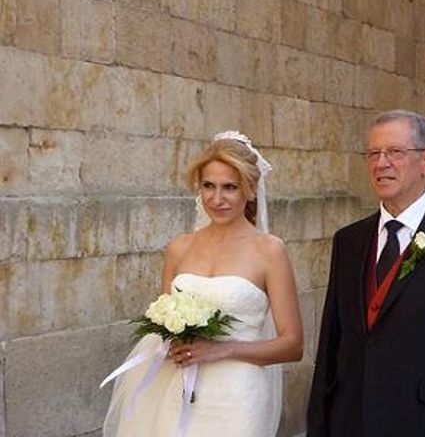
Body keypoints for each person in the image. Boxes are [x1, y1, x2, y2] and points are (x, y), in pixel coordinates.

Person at [307, 110, 425, 437]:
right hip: (349, 423)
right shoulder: (349, 241)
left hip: (422, 424)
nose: (381, 163)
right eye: (373, 153)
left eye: (395, 152)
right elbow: (330, 347)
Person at [103, 131, 303, 437]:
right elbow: (165, 322)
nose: (216, 198)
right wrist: (171, 345)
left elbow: (292, 345)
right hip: (179, 388)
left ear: (250, 191)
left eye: (230, 187)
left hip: (238, 397)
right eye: (208, 186)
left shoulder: (270, 251)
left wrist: (222, 349)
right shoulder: (179, 248)